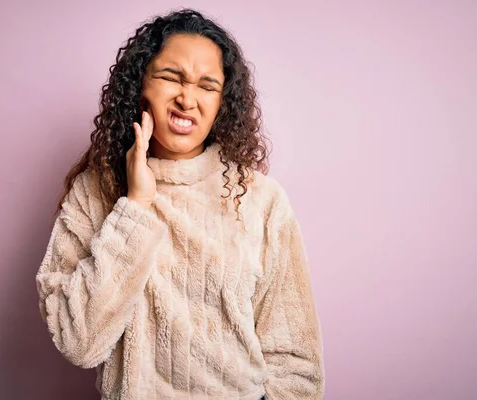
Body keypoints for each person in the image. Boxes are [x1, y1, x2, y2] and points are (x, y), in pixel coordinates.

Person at [35, 8, 324, 400]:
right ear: (141, 85)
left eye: (207, 86)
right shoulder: (96, 190)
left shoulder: (259, 200)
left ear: (223, 101)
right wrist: (135, 206)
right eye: (171, 78)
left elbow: (296, 363)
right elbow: (78, 341)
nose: (187, 99)